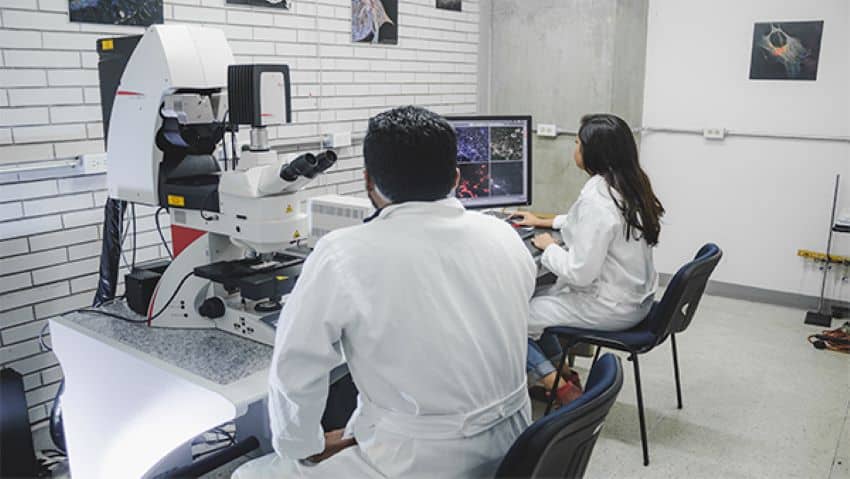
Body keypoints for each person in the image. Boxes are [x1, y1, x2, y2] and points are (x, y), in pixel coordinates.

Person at [233, 106, 538, 478]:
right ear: (456, 176)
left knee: (248, 474)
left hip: (420, 461)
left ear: (368, 182)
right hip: (517, 447)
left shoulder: (342, 253)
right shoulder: (504, 235)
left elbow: (294, 368)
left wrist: (305, 447)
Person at [513, 113, 665, 405]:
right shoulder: (626, 185)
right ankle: (564, 373)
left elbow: (579, 273)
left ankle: (558, 387)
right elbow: (585, 223)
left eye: (577, 143)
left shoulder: (598, 201)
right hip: (633, 300)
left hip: (610, 307)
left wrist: (548, 248)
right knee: (533, 300)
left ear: (592, 153)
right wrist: (546, 221)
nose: (575, 147)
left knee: (510, 318)